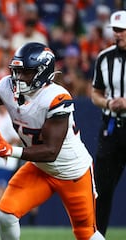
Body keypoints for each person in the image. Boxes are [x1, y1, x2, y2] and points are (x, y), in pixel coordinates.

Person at [0, 42, 104, 240]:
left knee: (85, 234)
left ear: (42, 72)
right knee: (5, 214)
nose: (18, 78)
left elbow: (51, 151)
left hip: (72, 172)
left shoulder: (56, 97)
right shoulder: (9, 86)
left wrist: (12, 151)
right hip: (40, 168)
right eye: (16, 71)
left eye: (25, 72)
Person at [90, 10, 126, 238]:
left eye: (121, 30)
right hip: (112, 127)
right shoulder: (105, 57)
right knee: (101, 188)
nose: (117, 34)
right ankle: (97, 236)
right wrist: (107, 102)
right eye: (115, 30)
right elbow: (95, 93)